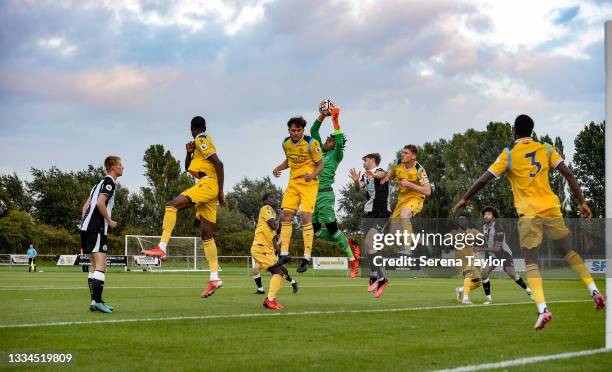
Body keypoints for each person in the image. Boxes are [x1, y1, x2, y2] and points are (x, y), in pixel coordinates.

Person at [453, 114, 605, 330]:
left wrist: (464, 198)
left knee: (531, 259)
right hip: (552, 208)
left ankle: (543, 309)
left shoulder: (509, 154)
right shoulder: (547, 148)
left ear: (514, 130)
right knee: (569, 251)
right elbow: (568, 174)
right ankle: (594, 291)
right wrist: (582, 202)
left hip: (529, 214)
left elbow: (484, 179)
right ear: (532, 131)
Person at [142, 116, 226, 298]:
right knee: (207, 236)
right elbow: (188, 167)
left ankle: (162, 247)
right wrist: (188, 152)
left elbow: (219, 164)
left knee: (171, 206)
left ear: (192, 129)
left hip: (208, 185)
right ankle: (214, 278)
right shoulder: (198, 146)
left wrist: (221, 192)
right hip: (207, 186)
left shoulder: (201, 140)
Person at [309, 105, 360, 276]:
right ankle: (347, 242)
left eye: (332, 140)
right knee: (316, 232)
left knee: (332, 229)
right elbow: (313, 129)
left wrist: (335, 121)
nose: (328, 141)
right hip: (311, 195)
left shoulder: (336, 155)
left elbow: (339, 142)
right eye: (328, 139)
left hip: (324, 194)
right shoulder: (317, 150)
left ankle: (353, 262)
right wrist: (322, 115)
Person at [273, 116, 323, 269]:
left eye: (298, 130)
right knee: (285, 215)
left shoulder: (311, 144)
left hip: (309, 184)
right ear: (289, 130)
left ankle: (306, 257)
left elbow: (320, 164)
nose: (295, 133)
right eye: (293, 130)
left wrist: (313, 175)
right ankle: (284, 254)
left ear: (303, 130)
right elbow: (289, 160)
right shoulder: (285, 143)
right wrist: (278, 168)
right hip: (293, 183)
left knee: (305, 216)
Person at [80, 155, 123, 313]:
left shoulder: (96, 185)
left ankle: (94, 300)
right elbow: (100, 203)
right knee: (101, 264)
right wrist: (110, 221)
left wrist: (85, 223)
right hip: (97, 228)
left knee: (93, 265)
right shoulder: (109, 182)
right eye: (120, 165)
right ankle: (97, 301)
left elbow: (85, 207)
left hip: (86, 228)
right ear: (113, 167)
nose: (122, 167)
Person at [349, 153, 391, 298]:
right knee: (367, 247)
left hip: (382, 212)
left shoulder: (380, 171)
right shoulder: (364, 176)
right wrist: (356, 181)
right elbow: (358, 187)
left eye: (365, 160)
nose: (364, 163)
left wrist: (371, 174)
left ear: (372, 161)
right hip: (369, 213)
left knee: (369, 241)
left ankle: (374, 276)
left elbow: (381, 175)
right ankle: (381, 277)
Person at [476, 206, 533, 304]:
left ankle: (528, 290)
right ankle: (488, 298)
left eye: (489, 214)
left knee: (511, 273)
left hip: (503, 254)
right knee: (484, 274)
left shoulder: (498, 228)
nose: (486, 216)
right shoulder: (483, 227)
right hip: (491, 255)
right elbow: (483, 239)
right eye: (485, 214)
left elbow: (497, 248)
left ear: (493, 217)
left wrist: (479, 249)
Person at [382, 145, 431, 254]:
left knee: (404, 214)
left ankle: (407, 249)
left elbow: (428, 191)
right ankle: (420, 240)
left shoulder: (419, 170)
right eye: (402, 152)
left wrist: (409, 184)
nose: (402, 155)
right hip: (402, 199)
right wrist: (383, 180)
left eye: (406, 153)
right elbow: (390, 176)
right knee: (393, 233)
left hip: (416, 197)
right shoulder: (396, 164)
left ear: (413, 156)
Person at [251, 193, 295, 310]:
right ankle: (269, 300)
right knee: (277, 272)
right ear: (264, 201)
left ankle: (272, 298)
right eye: (271, 197)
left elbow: (274, 240)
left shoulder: (272, 212)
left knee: (283, 271)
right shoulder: (266, 208)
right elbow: (274, 225)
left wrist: (282, 254)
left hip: (267, 250)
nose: (274, 199)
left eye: (275, 197)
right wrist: (279, 216)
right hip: (260, 248)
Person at [451, 215, 482, 304]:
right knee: (468, 275)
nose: (461, 221)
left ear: (467, 221)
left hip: (470, 260)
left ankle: (460, 289)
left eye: (463, 219)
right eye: (459, 220)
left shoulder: (473, 231)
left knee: (477, 282)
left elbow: (482, 238)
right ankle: (465, 298)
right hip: (460, 260)